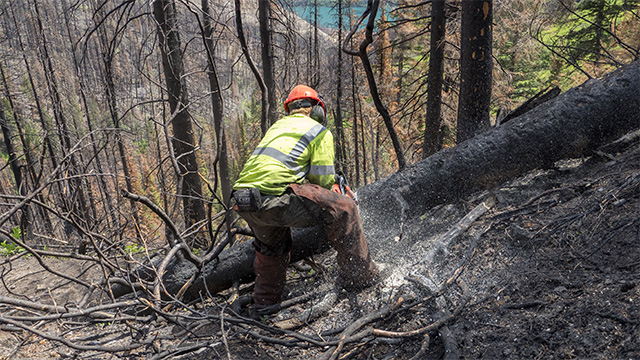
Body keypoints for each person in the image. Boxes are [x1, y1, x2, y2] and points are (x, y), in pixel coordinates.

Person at [232, 84, 379, 312]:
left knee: (273, 245)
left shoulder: (277, 128)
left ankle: (265, 302)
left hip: (245, 201)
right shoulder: (317, 130)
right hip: (274, 198)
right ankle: (362, 276)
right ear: (316, 109)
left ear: (290, 108)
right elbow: (321, 181)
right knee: (346, 209)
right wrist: (337, 193)